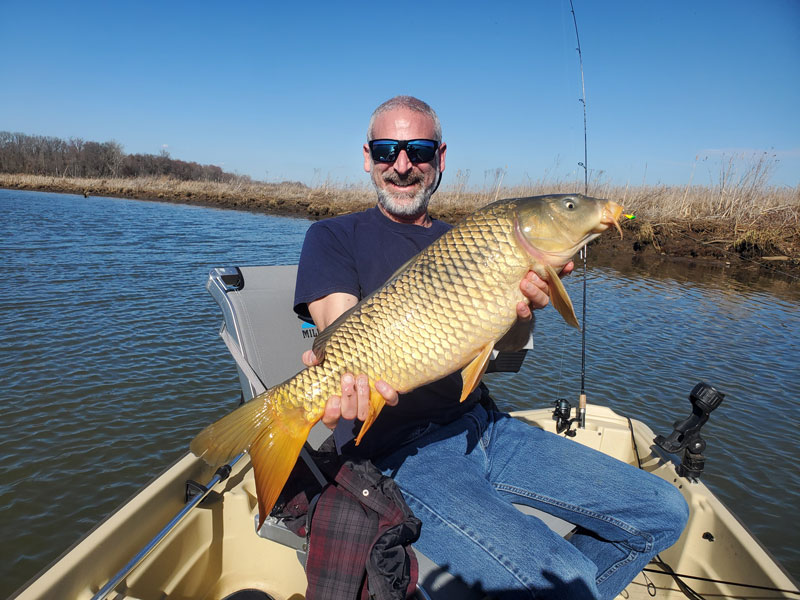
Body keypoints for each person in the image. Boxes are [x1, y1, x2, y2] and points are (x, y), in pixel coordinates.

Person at [293, 96, 688, 599]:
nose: (402, 165)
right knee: (570, 581)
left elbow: (507, 354)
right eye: (388, 150)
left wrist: (525, 312)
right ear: (368, 157)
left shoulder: (472, 238)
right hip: (401, 453)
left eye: (419, 150)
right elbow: (337, 322)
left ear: (440, 158)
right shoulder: (332, 235)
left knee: (665, 512)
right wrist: (345, 382)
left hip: (486, 426)